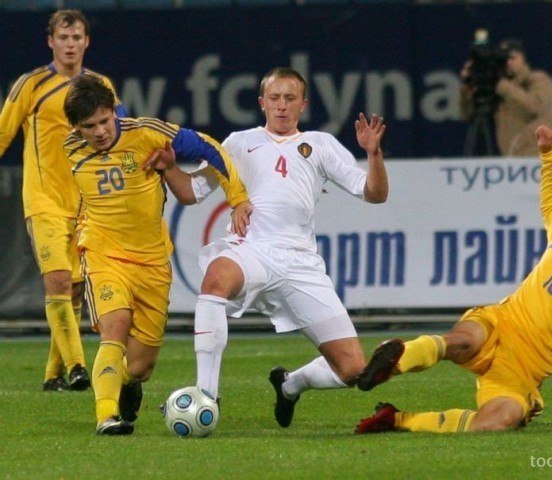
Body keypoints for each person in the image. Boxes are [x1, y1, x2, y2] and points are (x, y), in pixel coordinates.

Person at [148, 67, 388, 428]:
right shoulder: (237, 143)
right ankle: (207, 394)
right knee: (216, 277)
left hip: (300, 263)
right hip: (252, 250)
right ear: (262, 103)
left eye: (290, 98)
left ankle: (291, 384)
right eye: (275, 98)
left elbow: (375, 194)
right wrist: (169, 168)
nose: (282, 105)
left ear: (303, 104)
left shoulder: (320, 144)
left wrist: (374, 154)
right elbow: (191, 192)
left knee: (354, 369)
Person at [355, 125, 552, 435]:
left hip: (523, 372)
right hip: (498, 324)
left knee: (496, 422)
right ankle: (394, 361)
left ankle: (396, 419)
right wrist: (547, 155)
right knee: (463, 341)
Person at [62, 74, 250, 435]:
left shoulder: (147, 133)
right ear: (76, 128)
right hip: (103, 253)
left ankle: (126, 383)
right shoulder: (70, 148)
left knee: (140, 367)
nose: (99, 132)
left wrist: (237, 198)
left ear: (114, 112)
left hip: (152, 261)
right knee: (114, 327)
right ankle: (106, 416)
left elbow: (210, 147)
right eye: (89, 126)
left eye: (104, 121)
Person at [0, 10, 127, 392]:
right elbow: (3, 133)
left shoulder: (99, 86)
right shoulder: (31, 84)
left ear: (86, 42)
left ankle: (52, 374)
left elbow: (120, 132)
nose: (70, 44)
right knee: (56, 279)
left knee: (73, 288)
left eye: (76, 38)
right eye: (63, 37)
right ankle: (76, 366)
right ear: (50, 42)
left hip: (86, 202)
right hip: (43, 199)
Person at [460, 38, 552, 157]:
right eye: (504, 60)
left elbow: (533, 107)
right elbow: (468, 115)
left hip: (540, 159)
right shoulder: (500, 88)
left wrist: (500, 84)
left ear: (523, 60)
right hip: (512, 160)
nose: (508, 63)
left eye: (512, 58)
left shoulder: (537, 80)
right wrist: (467, 87)